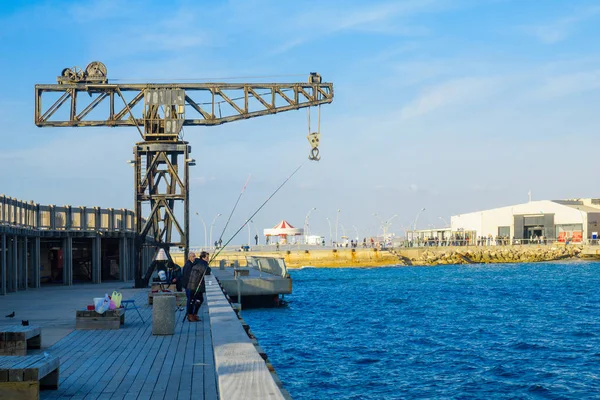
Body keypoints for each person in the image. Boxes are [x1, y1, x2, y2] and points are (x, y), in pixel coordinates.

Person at [186, 251, 211, 322]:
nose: (208, 259)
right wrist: (207, 265)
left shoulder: (199, 262)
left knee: (197, 300)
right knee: (194, 300)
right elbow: (207, 271)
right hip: (194, 286)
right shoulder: (201, 264)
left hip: (195, 285)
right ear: (203, 257)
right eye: (207, 257)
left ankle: (194, 314)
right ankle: (191, 315)